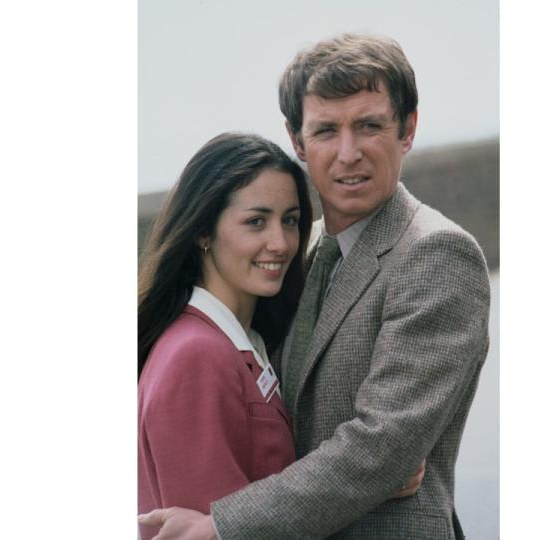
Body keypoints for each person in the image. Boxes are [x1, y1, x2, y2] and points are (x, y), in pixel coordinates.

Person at [141, 33, 490, 539]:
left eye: (369, 125)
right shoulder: (300, 254)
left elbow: (381, 447)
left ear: (408, 129)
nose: (348, 153)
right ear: (298, 141)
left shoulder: (435, 255)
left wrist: (222, 527)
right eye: (326, 130)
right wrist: (372, 473)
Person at [137, 132, 424, 540]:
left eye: (290, 220)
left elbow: (264, 497)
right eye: (256, 222)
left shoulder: (245, 343)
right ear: (203, 232)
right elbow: (215, 527)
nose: (281, 243)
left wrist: (374, 479)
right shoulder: (195, 354)